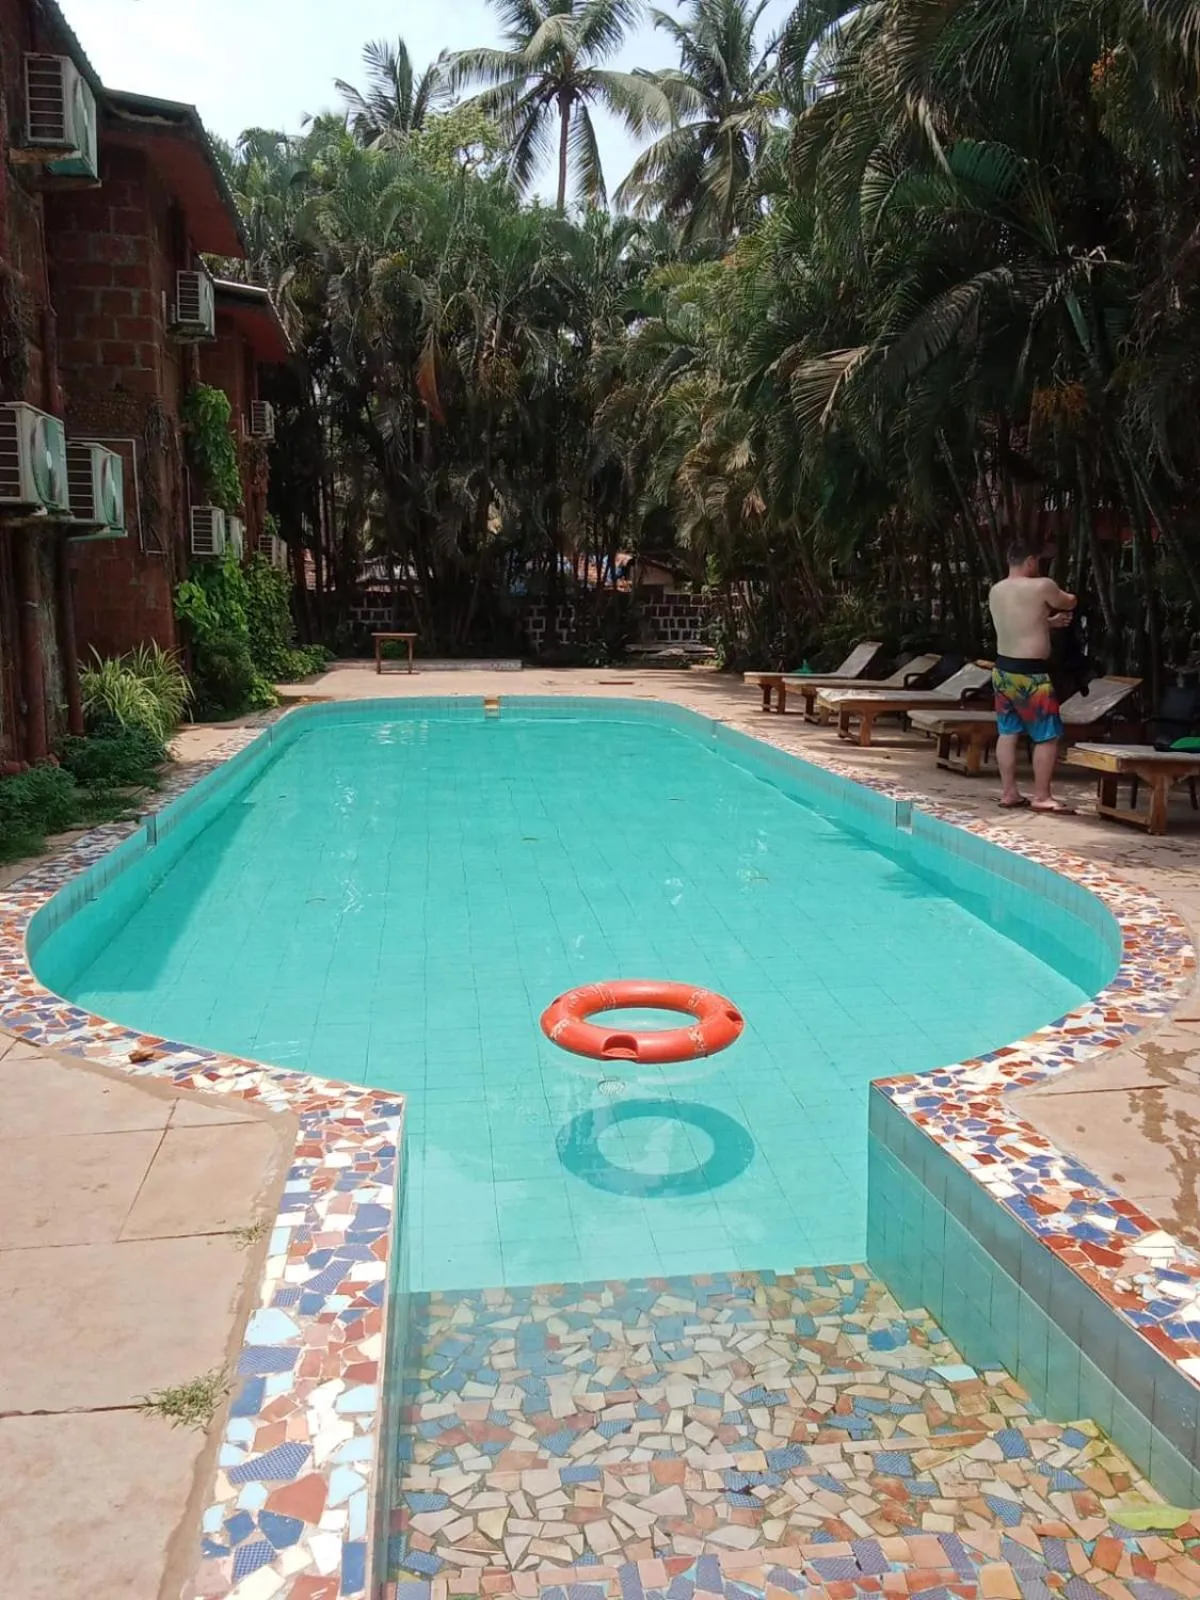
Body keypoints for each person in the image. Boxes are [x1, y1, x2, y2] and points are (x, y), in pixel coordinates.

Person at [987, 541, 1077, 812]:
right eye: (1037, 561)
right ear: (1029, 561)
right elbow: (1068, 601)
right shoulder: (1042, 585)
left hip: (1003, 672)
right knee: (1047, 736)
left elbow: (1017, 622)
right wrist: (1063, 603)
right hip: (1031, 676)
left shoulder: (996, 590)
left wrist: (1047, 622)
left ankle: (1009, 793)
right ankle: (1041, 796)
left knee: (1007, 732)